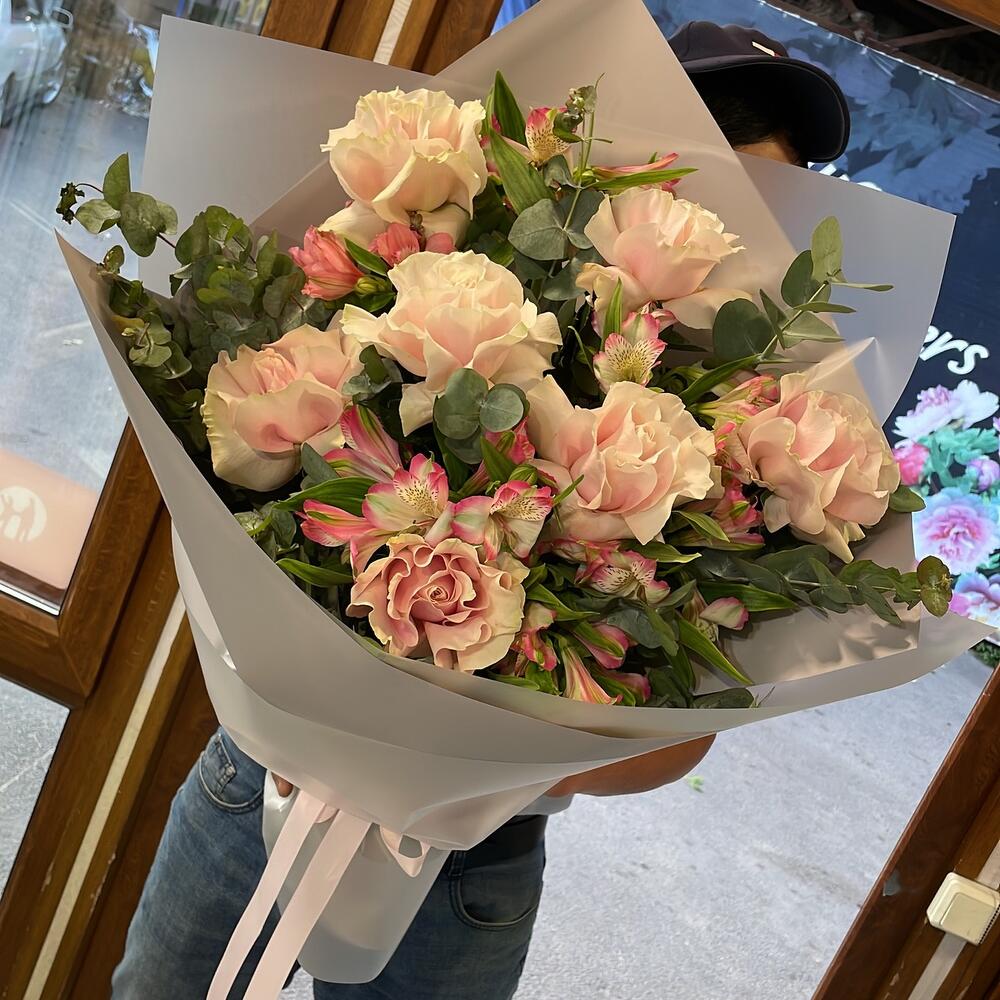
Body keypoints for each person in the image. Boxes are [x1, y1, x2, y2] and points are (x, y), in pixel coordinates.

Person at [111, 22, 850, 1000]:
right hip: (263, 784)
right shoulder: (454, 284)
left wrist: (467, 767)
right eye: (715, 176)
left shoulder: (742, 440)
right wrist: (325, 722)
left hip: (474, 853)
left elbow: (678, 741)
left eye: (777, 203)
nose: (737, 226)